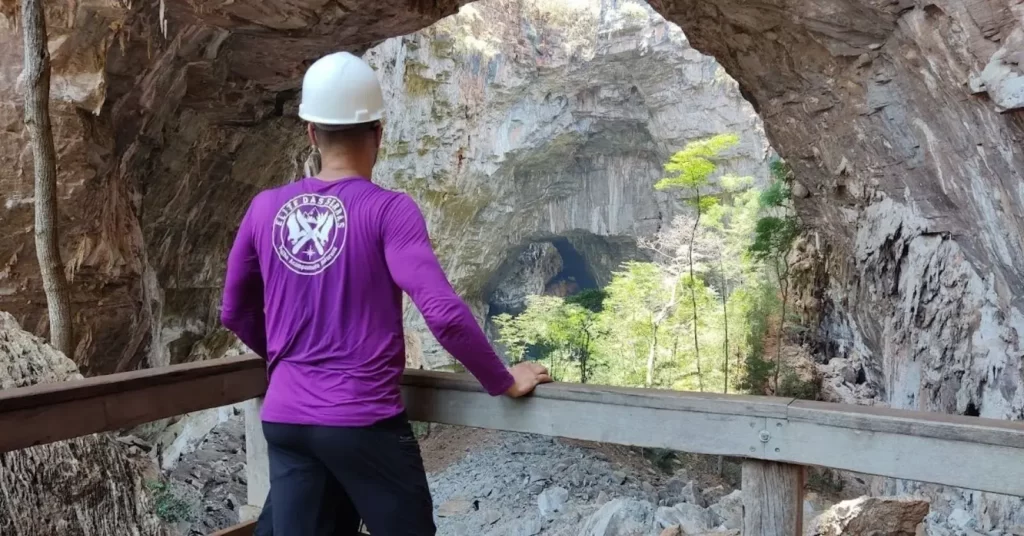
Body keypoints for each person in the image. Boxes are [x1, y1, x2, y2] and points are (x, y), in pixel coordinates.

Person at [220, 51, 552, 536]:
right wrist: (503, 380)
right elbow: (444, 314)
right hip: (362, 423)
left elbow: (234, 309)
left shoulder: (264, 207)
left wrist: (286, 361)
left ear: (311, 132)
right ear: (378, 131)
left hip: (287, 421)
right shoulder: (388, 211)